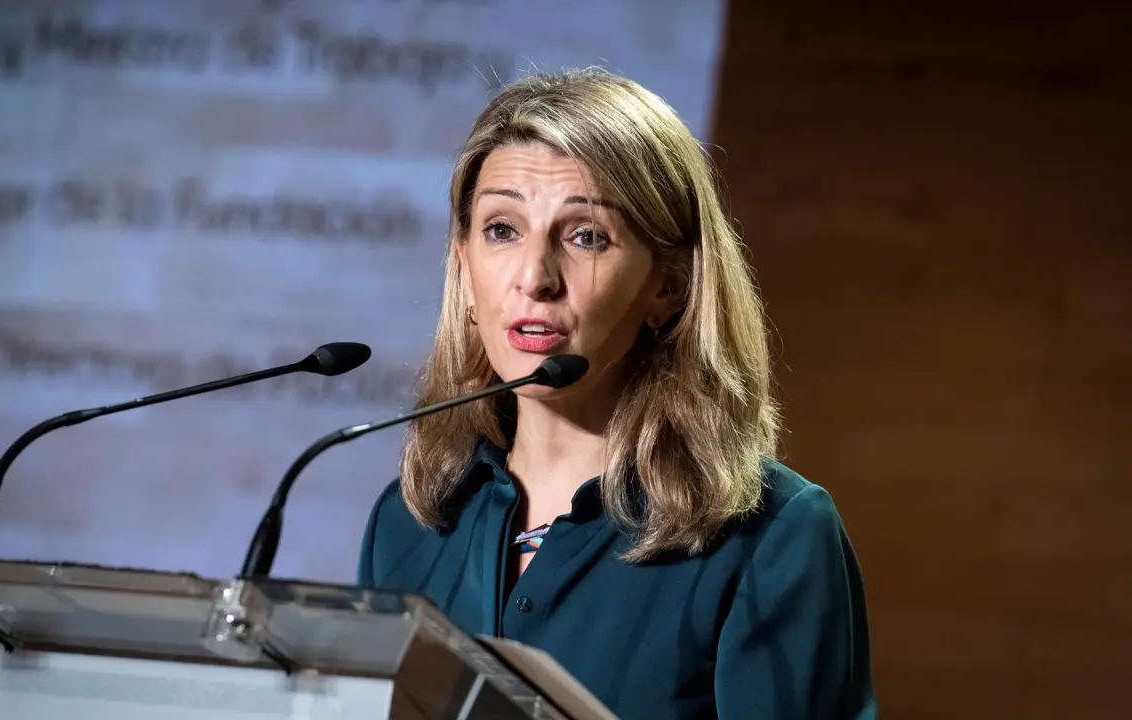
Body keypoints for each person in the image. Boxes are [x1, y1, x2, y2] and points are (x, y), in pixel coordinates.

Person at [357, 68, 876, 719]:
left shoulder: (770, 536)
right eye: (502, 229)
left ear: (669, 286)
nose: (535, 276)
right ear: (464, 266)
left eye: (586, 236)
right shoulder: (409, 522)